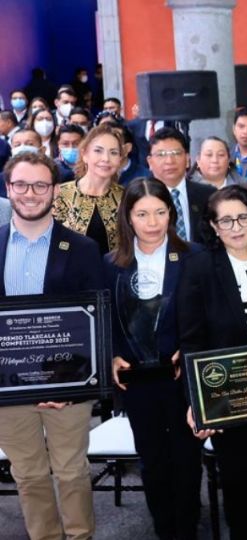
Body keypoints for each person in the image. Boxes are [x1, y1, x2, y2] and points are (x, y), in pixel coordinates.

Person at [0, 151, 102, 540]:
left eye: (40, 185)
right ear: (9, 190)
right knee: (27, 476)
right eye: (22, 185)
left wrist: (70, 383)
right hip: (8, 390)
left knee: (72, 472)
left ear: (54, 191)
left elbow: (95, 320)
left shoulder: (82, 249)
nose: (30, 193)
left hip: (67, 387)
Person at [177, 185, 247, 540]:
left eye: (243, 217)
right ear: (213, 225)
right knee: (239, 484)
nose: (236, 226)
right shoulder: (199, 267)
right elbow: (191, 339)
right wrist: (197, 401)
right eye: (226, 220)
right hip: (226, 395)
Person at [105, 177, 202, 540]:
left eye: (160, 212)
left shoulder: (193, 256)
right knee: (153, 461)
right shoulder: (112, 263)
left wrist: (189, 350)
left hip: (182, 377)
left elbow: (205, 316)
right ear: (128, 217)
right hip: (137, 380)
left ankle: (188, 528)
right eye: (142, 213)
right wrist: (113, 354)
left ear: (171, 213)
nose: (152, 222)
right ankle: (165, 529)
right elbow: (107, 319)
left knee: (187, 460)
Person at [53, 123, 126, 255]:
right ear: (84, 154)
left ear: (120, 159)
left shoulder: (126, 197)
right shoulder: (61, 194)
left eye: (113, 153)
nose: (106, 159)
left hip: (114, 274)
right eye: (98, 151)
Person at [146, 127, 216, 242]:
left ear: (188, 159)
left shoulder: (209, 195)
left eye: (176, 153)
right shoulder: (140, 198)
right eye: (161, 154)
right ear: (150, 162)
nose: (169, 161)